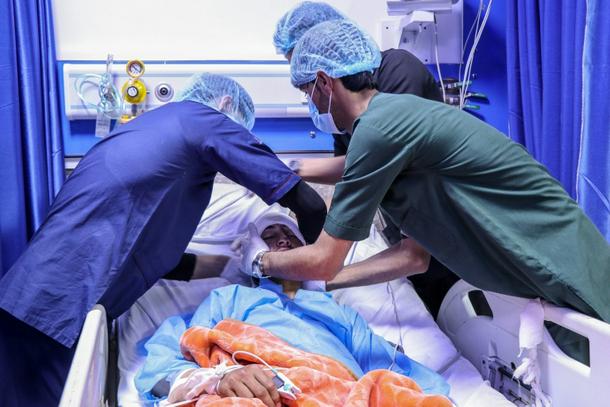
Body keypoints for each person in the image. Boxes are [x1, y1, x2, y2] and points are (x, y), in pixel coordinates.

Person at [240, 20, 610, 331]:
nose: (310, 104)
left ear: (324, 83)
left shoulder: (378, 130)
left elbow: (324, 259)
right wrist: (320, 284)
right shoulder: (389, 117)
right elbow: (413, 256)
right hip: (533, 260)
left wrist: (259, 261)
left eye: (306, 91)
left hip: (554, 253)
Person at [0, 73, 326, 406]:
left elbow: (149, 254)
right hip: (58, 306)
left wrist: (224, 265)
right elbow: (311, 205)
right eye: (271, 234)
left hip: (41, 298)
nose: (281, 242)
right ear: (225, 104)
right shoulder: (202, 121)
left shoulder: (155, 136)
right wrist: (314, 269)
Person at [135, 212, 449, 406]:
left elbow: (394, 372)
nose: (284, 241)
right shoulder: (229, 298)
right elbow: (170, 363)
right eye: (270, 238)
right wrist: (218, 379)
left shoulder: (338, 313)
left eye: (291, 237)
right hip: (255, 391)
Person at [273, 1, 458, 316]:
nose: (310, 98)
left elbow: (373, 161)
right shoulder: (341, 109)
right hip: (409, 230)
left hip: (444, 234)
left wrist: (313, 275)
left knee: (452, 302)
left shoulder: (396, 75)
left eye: (308, 85)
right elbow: (349, 172)